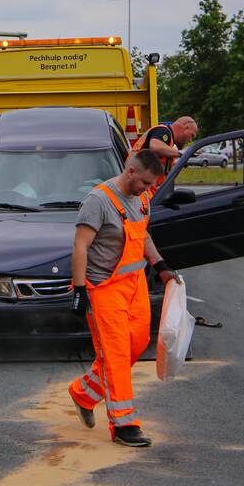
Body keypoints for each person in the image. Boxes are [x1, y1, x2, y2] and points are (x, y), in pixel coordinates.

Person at [68, 149, 178, 447]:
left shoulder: (141, 198)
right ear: (131, 172)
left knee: (137, 344)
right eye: (145, 183)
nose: (148, 190)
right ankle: (124, 424)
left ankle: (83, 393)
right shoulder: (98, 201)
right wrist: (79, 291)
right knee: (115, 354)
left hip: (134, 285)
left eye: (151, 185)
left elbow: (142, 235)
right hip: (103, 288)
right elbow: (80, 246)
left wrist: (161, 266)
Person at [130, 116, 198, 193]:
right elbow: (155, 146)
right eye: (191, 135)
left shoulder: (168, 142)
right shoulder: (163, 131)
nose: (190, 140)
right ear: (185, 128)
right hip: (138, 189)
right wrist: (183, 153)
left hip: (143, 189)